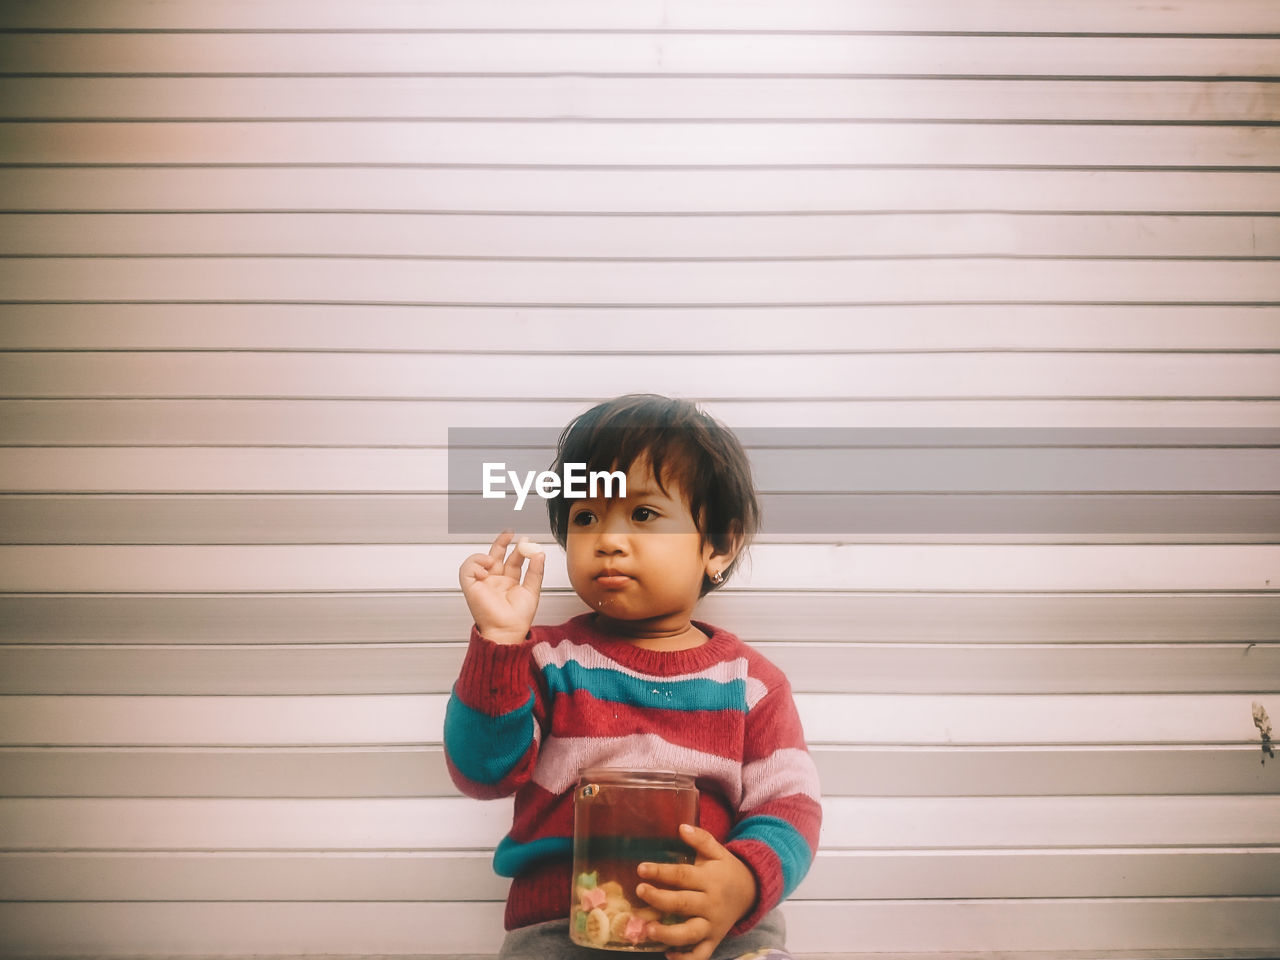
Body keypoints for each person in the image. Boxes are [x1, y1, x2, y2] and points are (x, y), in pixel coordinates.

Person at [444, 394, 822, 960]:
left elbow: (790, 805)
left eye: (643, 515)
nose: (608, 540)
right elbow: (483, 774)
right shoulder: (546, 661)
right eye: (585, 518)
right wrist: (499, 643)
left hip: (709, 930)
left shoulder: (751, 685)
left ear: (718, 546)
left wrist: (742, 882)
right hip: (560, 928)